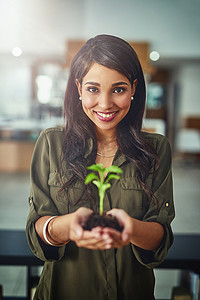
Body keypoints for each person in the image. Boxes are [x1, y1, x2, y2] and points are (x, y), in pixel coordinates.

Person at [26, 34, 175, 300]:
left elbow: (160, 237)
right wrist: (66, 227)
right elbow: (37, 228)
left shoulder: (156, 150)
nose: (105, 104)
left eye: (118, 89)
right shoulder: (51, 144)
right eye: (93, 89)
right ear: (79, 88)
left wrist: (132, 229)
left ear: (133, 88)